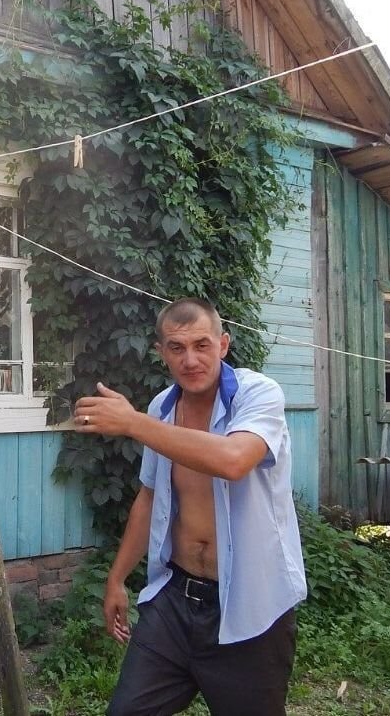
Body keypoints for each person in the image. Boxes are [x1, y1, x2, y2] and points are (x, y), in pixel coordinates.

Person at [73, 297, 306, 716]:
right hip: (174, 603)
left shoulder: (257, 394)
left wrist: (132, 424)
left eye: (202, 345)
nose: (191, 359)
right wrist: (116, 579)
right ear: (161, 352)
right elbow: (149, 496)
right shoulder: (161, 408)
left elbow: (233, 460)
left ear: (223, 344)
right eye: (177, 348)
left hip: (249, 606)